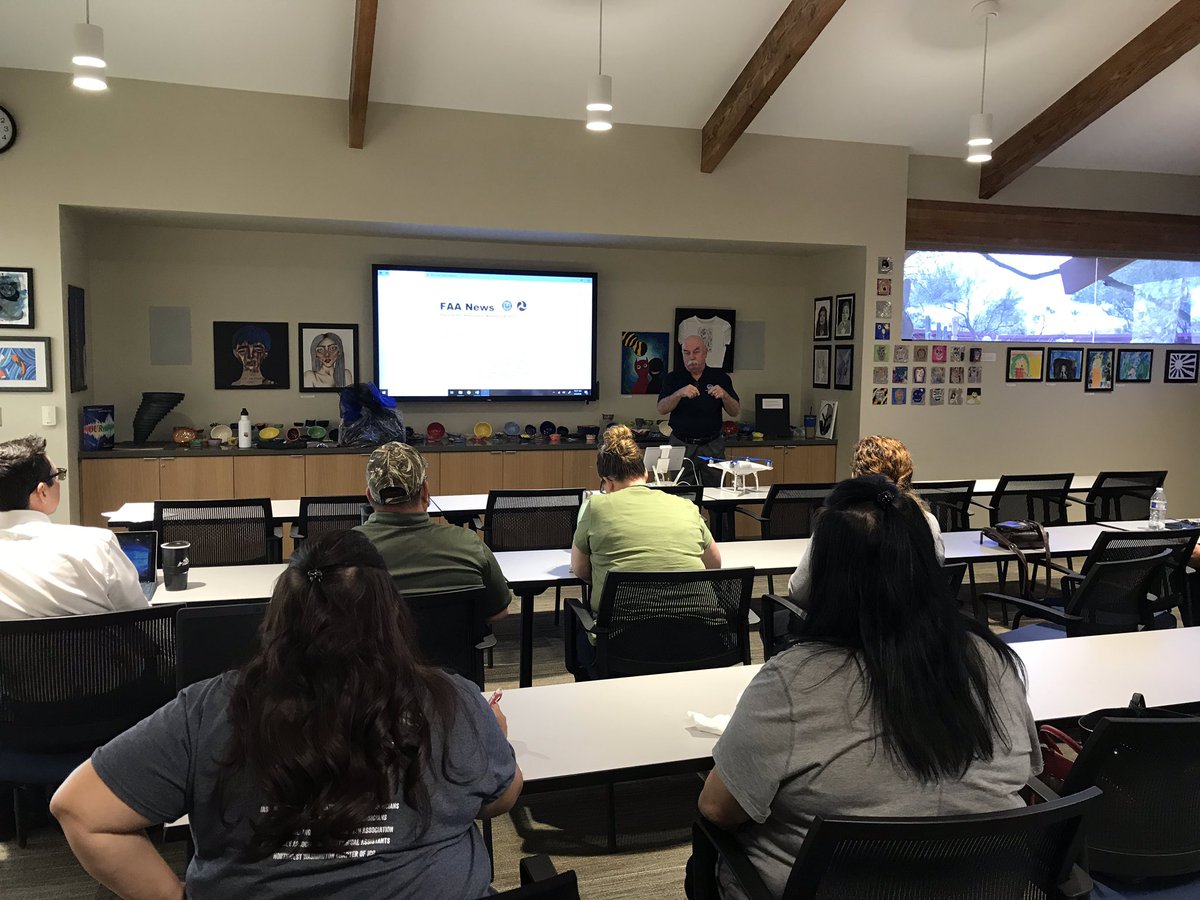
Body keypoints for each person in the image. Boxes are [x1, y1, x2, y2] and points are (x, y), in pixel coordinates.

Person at [51, 530, 522, 899]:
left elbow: (80, 809)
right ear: (391, 614)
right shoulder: (450, 701)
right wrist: (493, 737)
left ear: (278, 615)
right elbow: (499, 799)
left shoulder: (210, 708)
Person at [695, 476, 1040, 900]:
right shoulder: (994, 661)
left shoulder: (792, 680)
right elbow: (1027, 774)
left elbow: (718, 809)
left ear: (822, 570)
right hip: (980, 886)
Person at [571, 425, 721, 675]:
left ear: (607, 483)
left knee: (580, 643)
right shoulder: (685, 506)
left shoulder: (595, 507)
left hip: (625, 644)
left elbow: (580, 570)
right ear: (646, 475)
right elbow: (714, 565)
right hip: (702, 639)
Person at [357, 441, 511, 621]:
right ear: (425, 491)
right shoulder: (469, 545)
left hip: (379, 650)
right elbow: (499, 611)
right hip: (453, 649)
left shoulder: (343, 552)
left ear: (369, 496)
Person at [0, 435, 146, 618]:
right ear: (42, 491)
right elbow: (140, 616)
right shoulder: (95, 545)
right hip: (99, 646)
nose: (60, 481)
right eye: (57, 475)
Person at [787, 434, 943, 604]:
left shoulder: (836, 522)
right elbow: (933, 575)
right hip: (912, 627)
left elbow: (799, 592)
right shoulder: (927, 521)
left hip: (844, 628)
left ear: (856, 477)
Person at [658, 335, 740, 487]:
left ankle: (715, 512)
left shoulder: (720, 377)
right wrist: (679, 393)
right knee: (682, 495)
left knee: (717, 494)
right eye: (686, 352)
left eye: (696, 352)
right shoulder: (673, 378)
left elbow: (735, 411)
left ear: (705, 352)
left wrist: (725, 396)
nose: (691, 357)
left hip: (712, 444)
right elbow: (661, 409)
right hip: (681, 444)